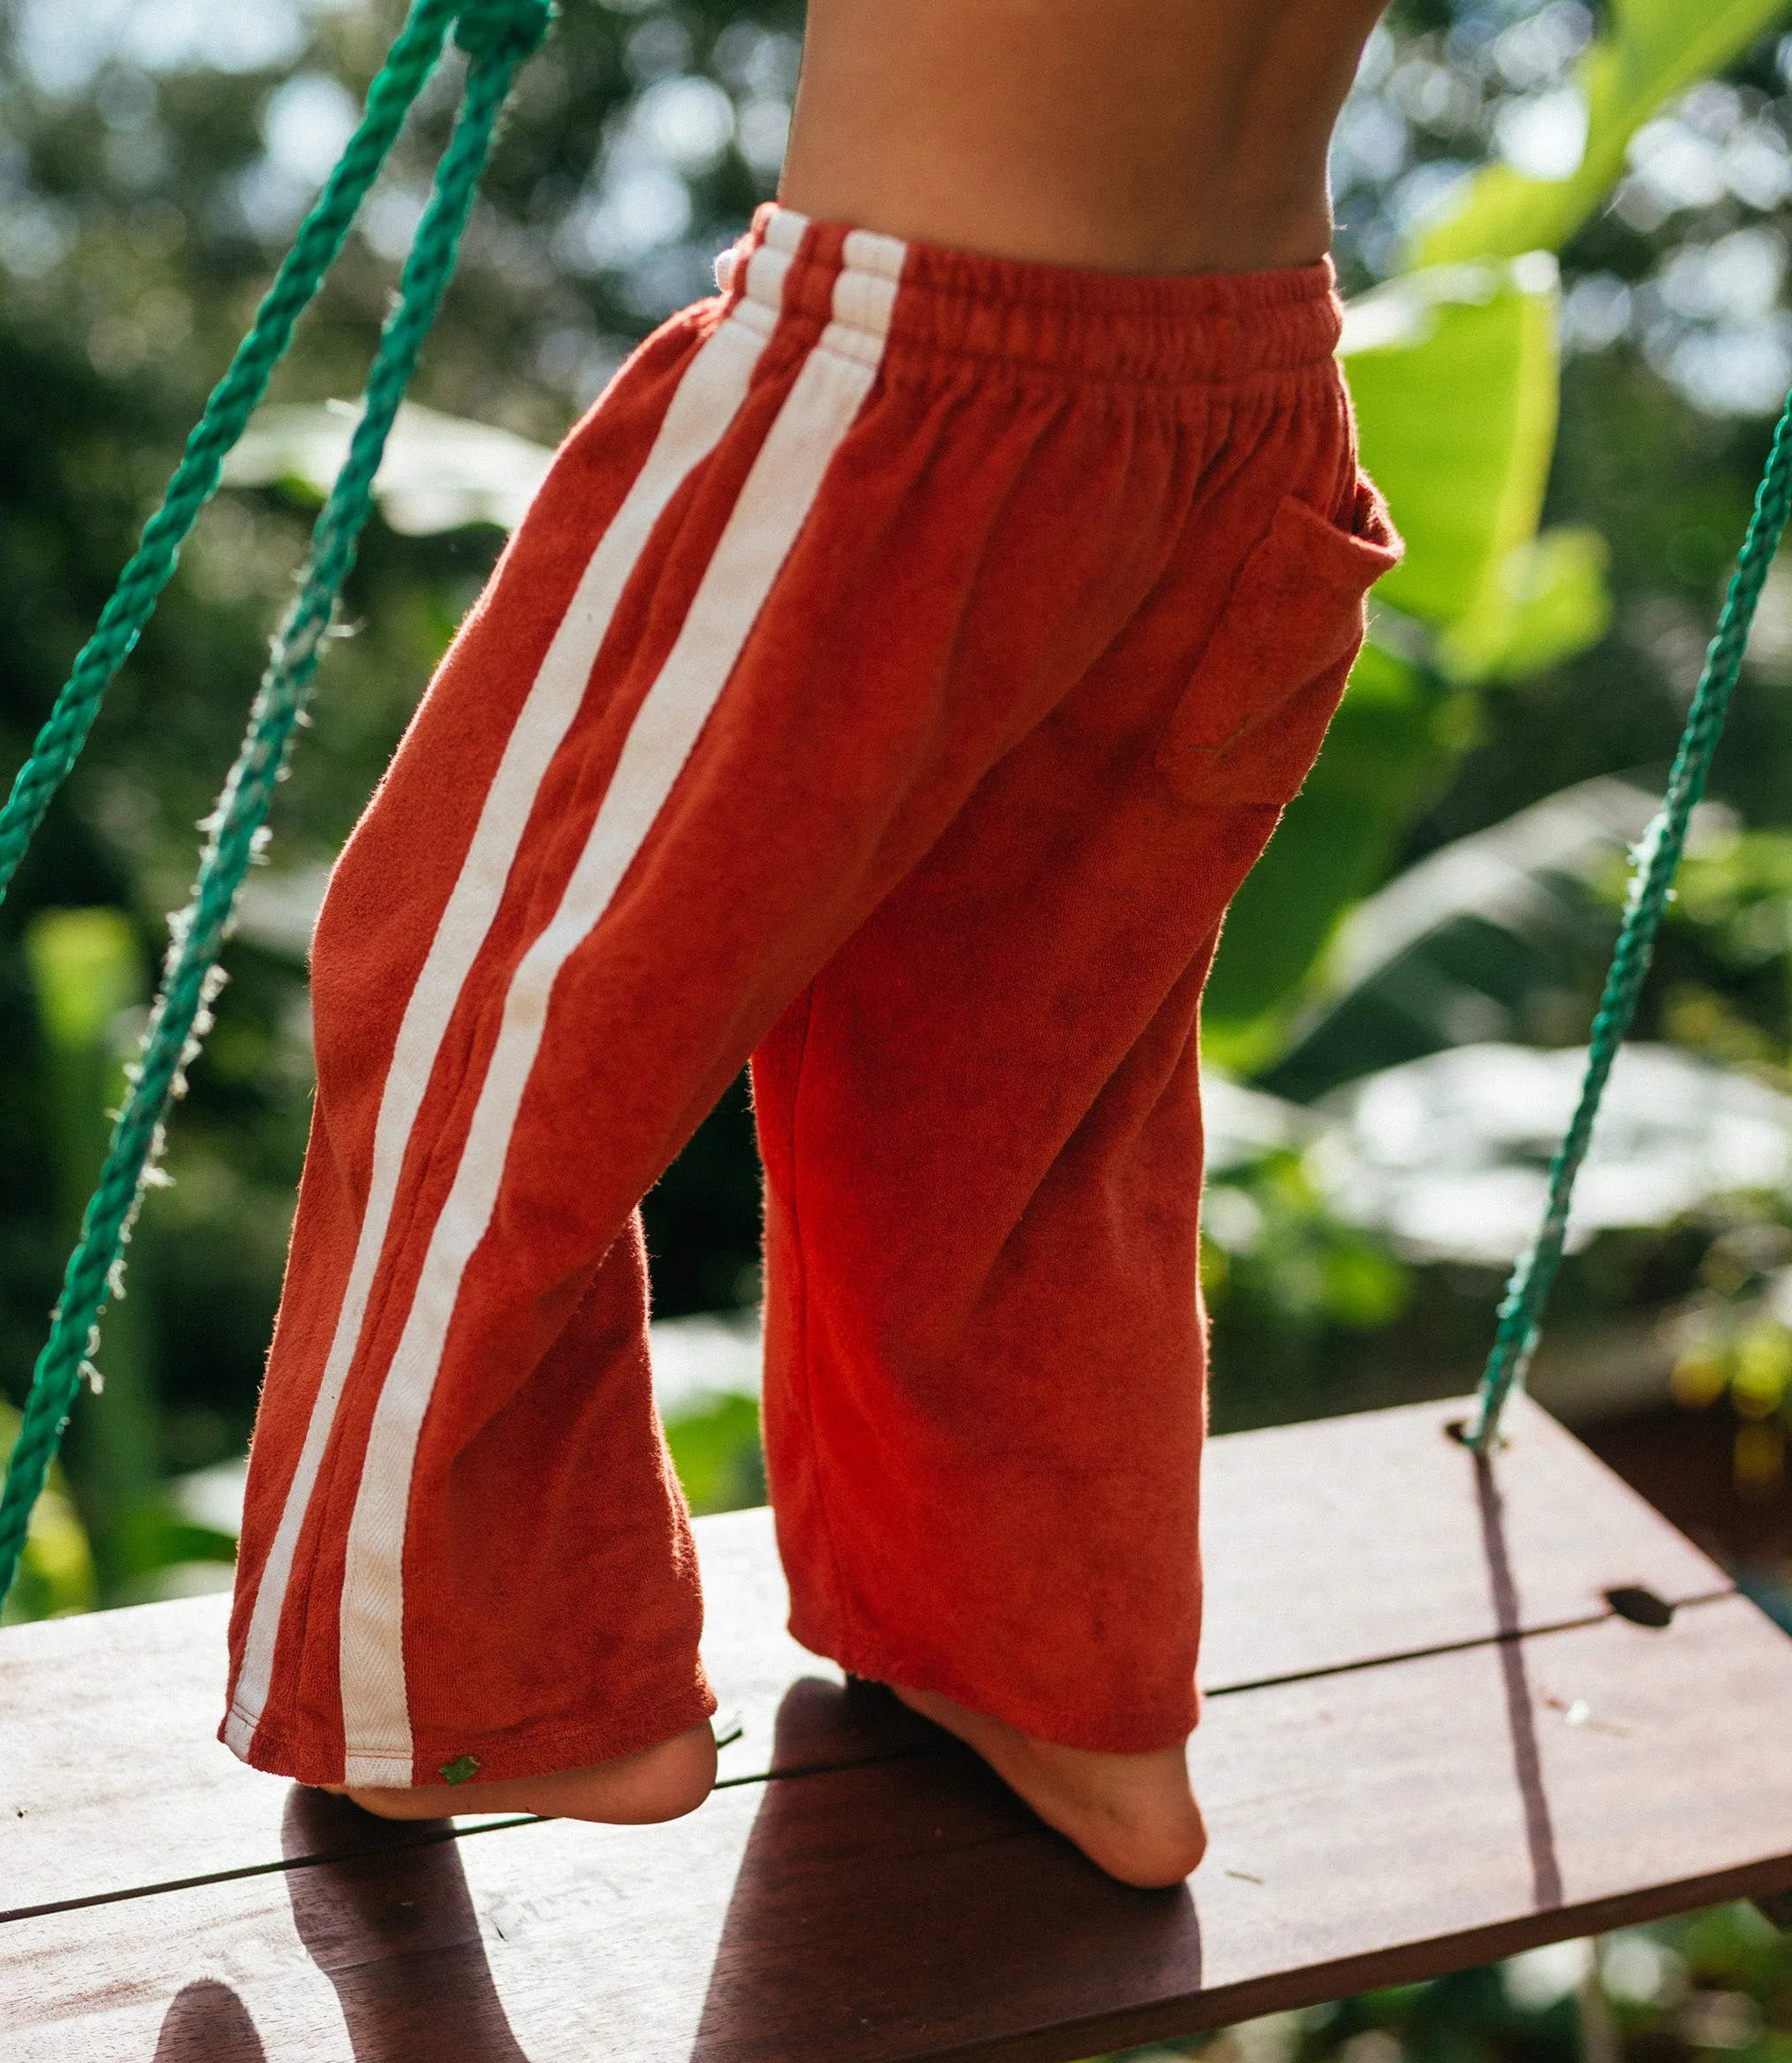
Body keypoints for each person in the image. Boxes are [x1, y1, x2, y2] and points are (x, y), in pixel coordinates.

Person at [220, 0, 1401, 1887]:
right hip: (1248, 404)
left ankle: (457, 1691)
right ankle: (1052, 1685)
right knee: (1010, 1102)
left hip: (913, 366)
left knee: (472, 982)